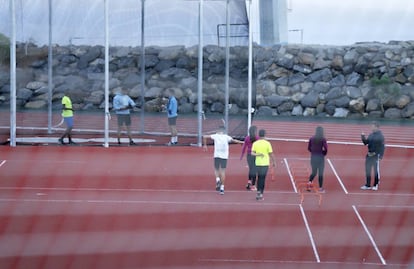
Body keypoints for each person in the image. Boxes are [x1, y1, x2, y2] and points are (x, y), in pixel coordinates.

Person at [203, 126, 243, 195]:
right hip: (224, 157)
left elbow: (204, 136)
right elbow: (234, 140)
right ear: (224, 131)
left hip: (217, 156)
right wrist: (242, 142)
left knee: (216, 169)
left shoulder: (215, 136)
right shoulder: (226, 137)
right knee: (223, 171)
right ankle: (222, 188)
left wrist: (205, 145)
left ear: (218, 130)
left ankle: (217, 180)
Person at [251, 129, 276, 201]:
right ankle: (261, 193)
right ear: (265, 135)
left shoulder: (255, 143)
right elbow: (271, 153)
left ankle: (258, 192)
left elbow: (252, 153)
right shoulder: (267, 143)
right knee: (263, 178)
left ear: (258, 135)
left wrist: (258, 154)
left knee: (259, 178)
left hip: (257, 163)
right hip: (265, 163)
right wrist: (274, 162)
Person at [360, 121, 385, 191]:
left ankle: (375, 184)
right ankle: (367, 185)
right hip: (369, 155)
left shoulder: (380, 136)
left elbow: (382, 147)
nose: (371, 127)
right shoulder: (371, 135)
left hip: (375, 155)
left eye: (372, 126)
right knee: (368, 170)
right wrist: (362, 136)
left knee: (376, 171)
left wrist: (380, 156)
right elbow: (365, 143)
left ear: (377, 127)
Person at [307, 126, 328, 193]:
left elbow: (309, 148)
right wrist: (323, 153)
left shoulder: (311, 138)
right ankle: (320, 188)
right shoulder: (323, 139)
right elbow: (326, 148)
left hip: (313, 157)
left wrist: (313, 152)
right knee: (320, 173)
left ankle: (309, 183)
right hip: (320, 158)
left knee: (314, 172)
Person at [240, 125, 259, 191]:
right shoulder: (257, 138)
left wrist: (242, 155)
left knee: (251, 169)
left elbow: (244, 147)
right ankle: (253, 185)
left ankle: (249, 181)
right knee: (255, 170)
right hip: (255, 155)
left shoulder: (247, 138)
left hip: (249, 155)